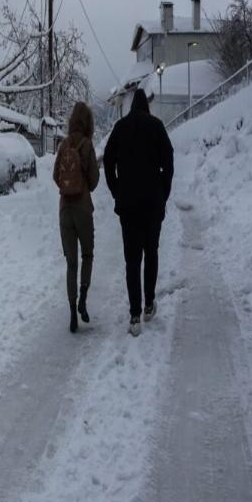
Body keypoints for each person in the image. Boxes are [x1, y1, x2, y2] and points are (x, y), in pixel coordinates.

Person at [103, 88, 174, 336]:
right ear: (147, 107)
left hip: (128, 205)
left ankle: (134, 315)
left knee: (132, 259)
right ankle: (148, 304)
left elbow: (108, 161)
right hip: (153, 204)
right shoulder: (156, 126)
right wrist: (163, 192)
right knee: (151, 252)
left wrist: (116, 189)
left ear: (132, 105)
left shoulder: (121, 127)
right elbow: (169, 161)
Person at [52, 102, 100, 333]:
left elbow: (55, 176)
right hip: (82, 209)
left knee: (71, 262)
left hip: (64, 211)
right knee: (87, 255)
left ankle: (72, 312)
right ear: (88, 122)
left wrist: (67, 184)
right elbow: (94, 180)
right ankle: (83, 297)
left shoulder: (63, 145)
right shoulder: (87, 144)